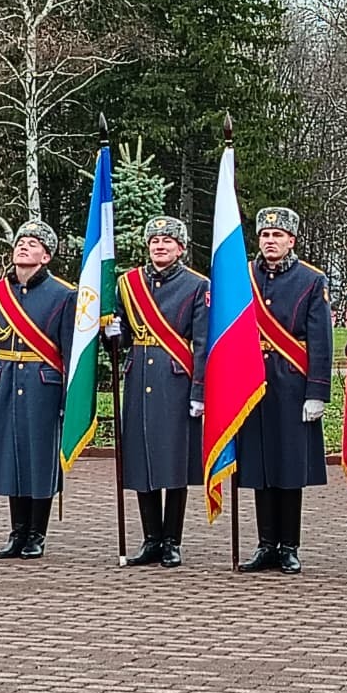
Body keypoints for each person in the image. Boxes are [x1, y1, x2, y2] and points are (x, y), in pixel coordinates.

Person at [238, 206, 333, 575]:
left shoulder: (311, 280)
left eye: (277, 236)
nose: (270, 241)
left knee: (289, 467)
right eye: (265, 235)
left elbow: (321, 341)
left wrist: (317, 392)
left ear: (291, 240)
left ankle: (289, 545)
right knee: (260, 466)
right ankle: (265, 545)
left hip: (292, 382)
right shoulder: (243, 275)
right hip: (252, 381)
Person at [111, 216, 209, 568]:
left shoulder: (197, 286)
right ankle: (151, 538)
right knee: (141, 460)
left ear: (180, 248)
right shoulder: (128, 283)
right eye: (154, 240)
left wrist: (199, 390)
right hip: (139, 377)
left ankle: (172, 540)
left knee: (173, 463)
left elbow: (201, 343)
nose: (160, 245)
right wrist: (112, 332)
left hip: (175, 378)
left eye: (168, 240)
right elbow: (122, 336)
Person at [0, 220, 76, 560]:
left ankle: (36, 533)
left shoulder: (64, 295)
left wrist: (68, 398)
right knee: (11, 458)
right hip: (6, 380)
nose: (23, 247)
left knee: (39, 459)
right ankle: (16, 531)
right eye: (21, 242)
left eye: (33, 244)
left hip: (42, 383)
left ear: (46, 256)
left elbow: (70, 349)